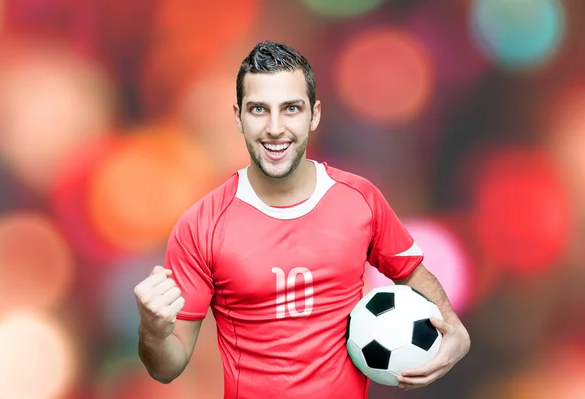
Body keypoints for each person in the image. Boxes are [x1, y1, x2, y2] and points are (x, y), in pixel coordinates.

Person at [135, 41, 470, 398]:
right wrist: (152, 330)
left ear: (315, 114)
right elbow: (168, 367)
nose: (275, 128)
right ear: (239, 117)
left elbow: (409, 271)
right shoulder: (201, 225)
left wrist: (454, 328)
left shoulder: (359, 199)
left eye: (291, 109)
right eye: (259, 110)